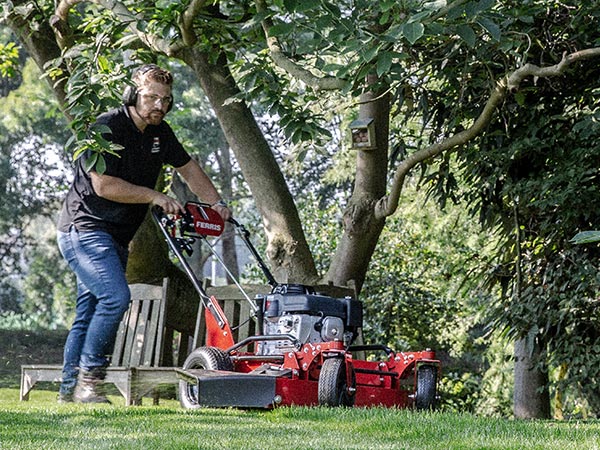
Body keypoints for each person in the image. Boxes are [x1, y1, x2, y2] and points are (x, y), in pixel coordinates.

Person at [56, 64, 231, 403]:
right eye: (151, 98)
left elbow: (190, 169)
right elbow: (103, 185)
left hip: (117, 238)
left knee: (89, 312)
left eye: (165, 100)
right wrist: (154, 195)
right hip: (84, 229)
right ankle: (90, 382)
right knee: (116, 298)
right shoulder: (106, 128)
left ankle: (68, 391)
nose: (159, 106)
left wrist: (217, 203)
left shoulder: (161, 134)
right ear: (133, 94)